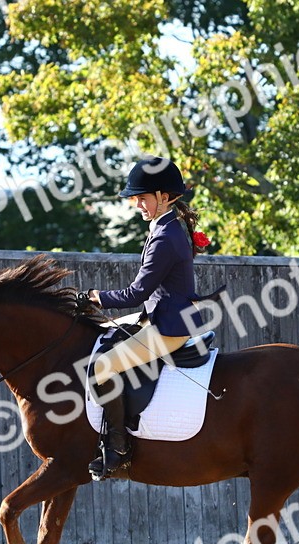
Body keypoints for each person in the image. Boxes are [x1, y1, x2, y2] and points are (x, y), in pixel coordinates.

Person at [84, 155, 208, 480]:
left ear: (164, 197)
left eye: (143, 198)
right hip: (158, 317)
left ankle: (117, 447)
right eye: (135, 198)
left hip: (169, 328)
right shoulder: (165, 228)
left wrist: (97, 297)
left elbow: (136, 292)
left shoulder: (165, 238)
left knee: (102, 367)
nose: (137, 204)